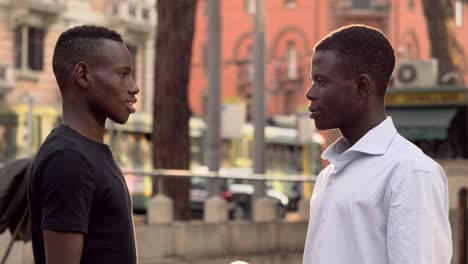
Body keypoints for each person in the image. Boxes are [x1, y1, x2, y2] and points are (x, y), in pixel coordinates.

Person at [303, 24, 452, 264]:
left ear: (362, 86)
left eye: (321, 81)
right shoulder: (328, 175)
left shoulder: (410, 173)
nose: (310, 93)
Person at [28, 25, 140, 264]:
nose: (134, 87)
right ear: (83, 75)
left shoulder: (87, 152)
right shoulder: (69, 160)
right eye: (122, 74)